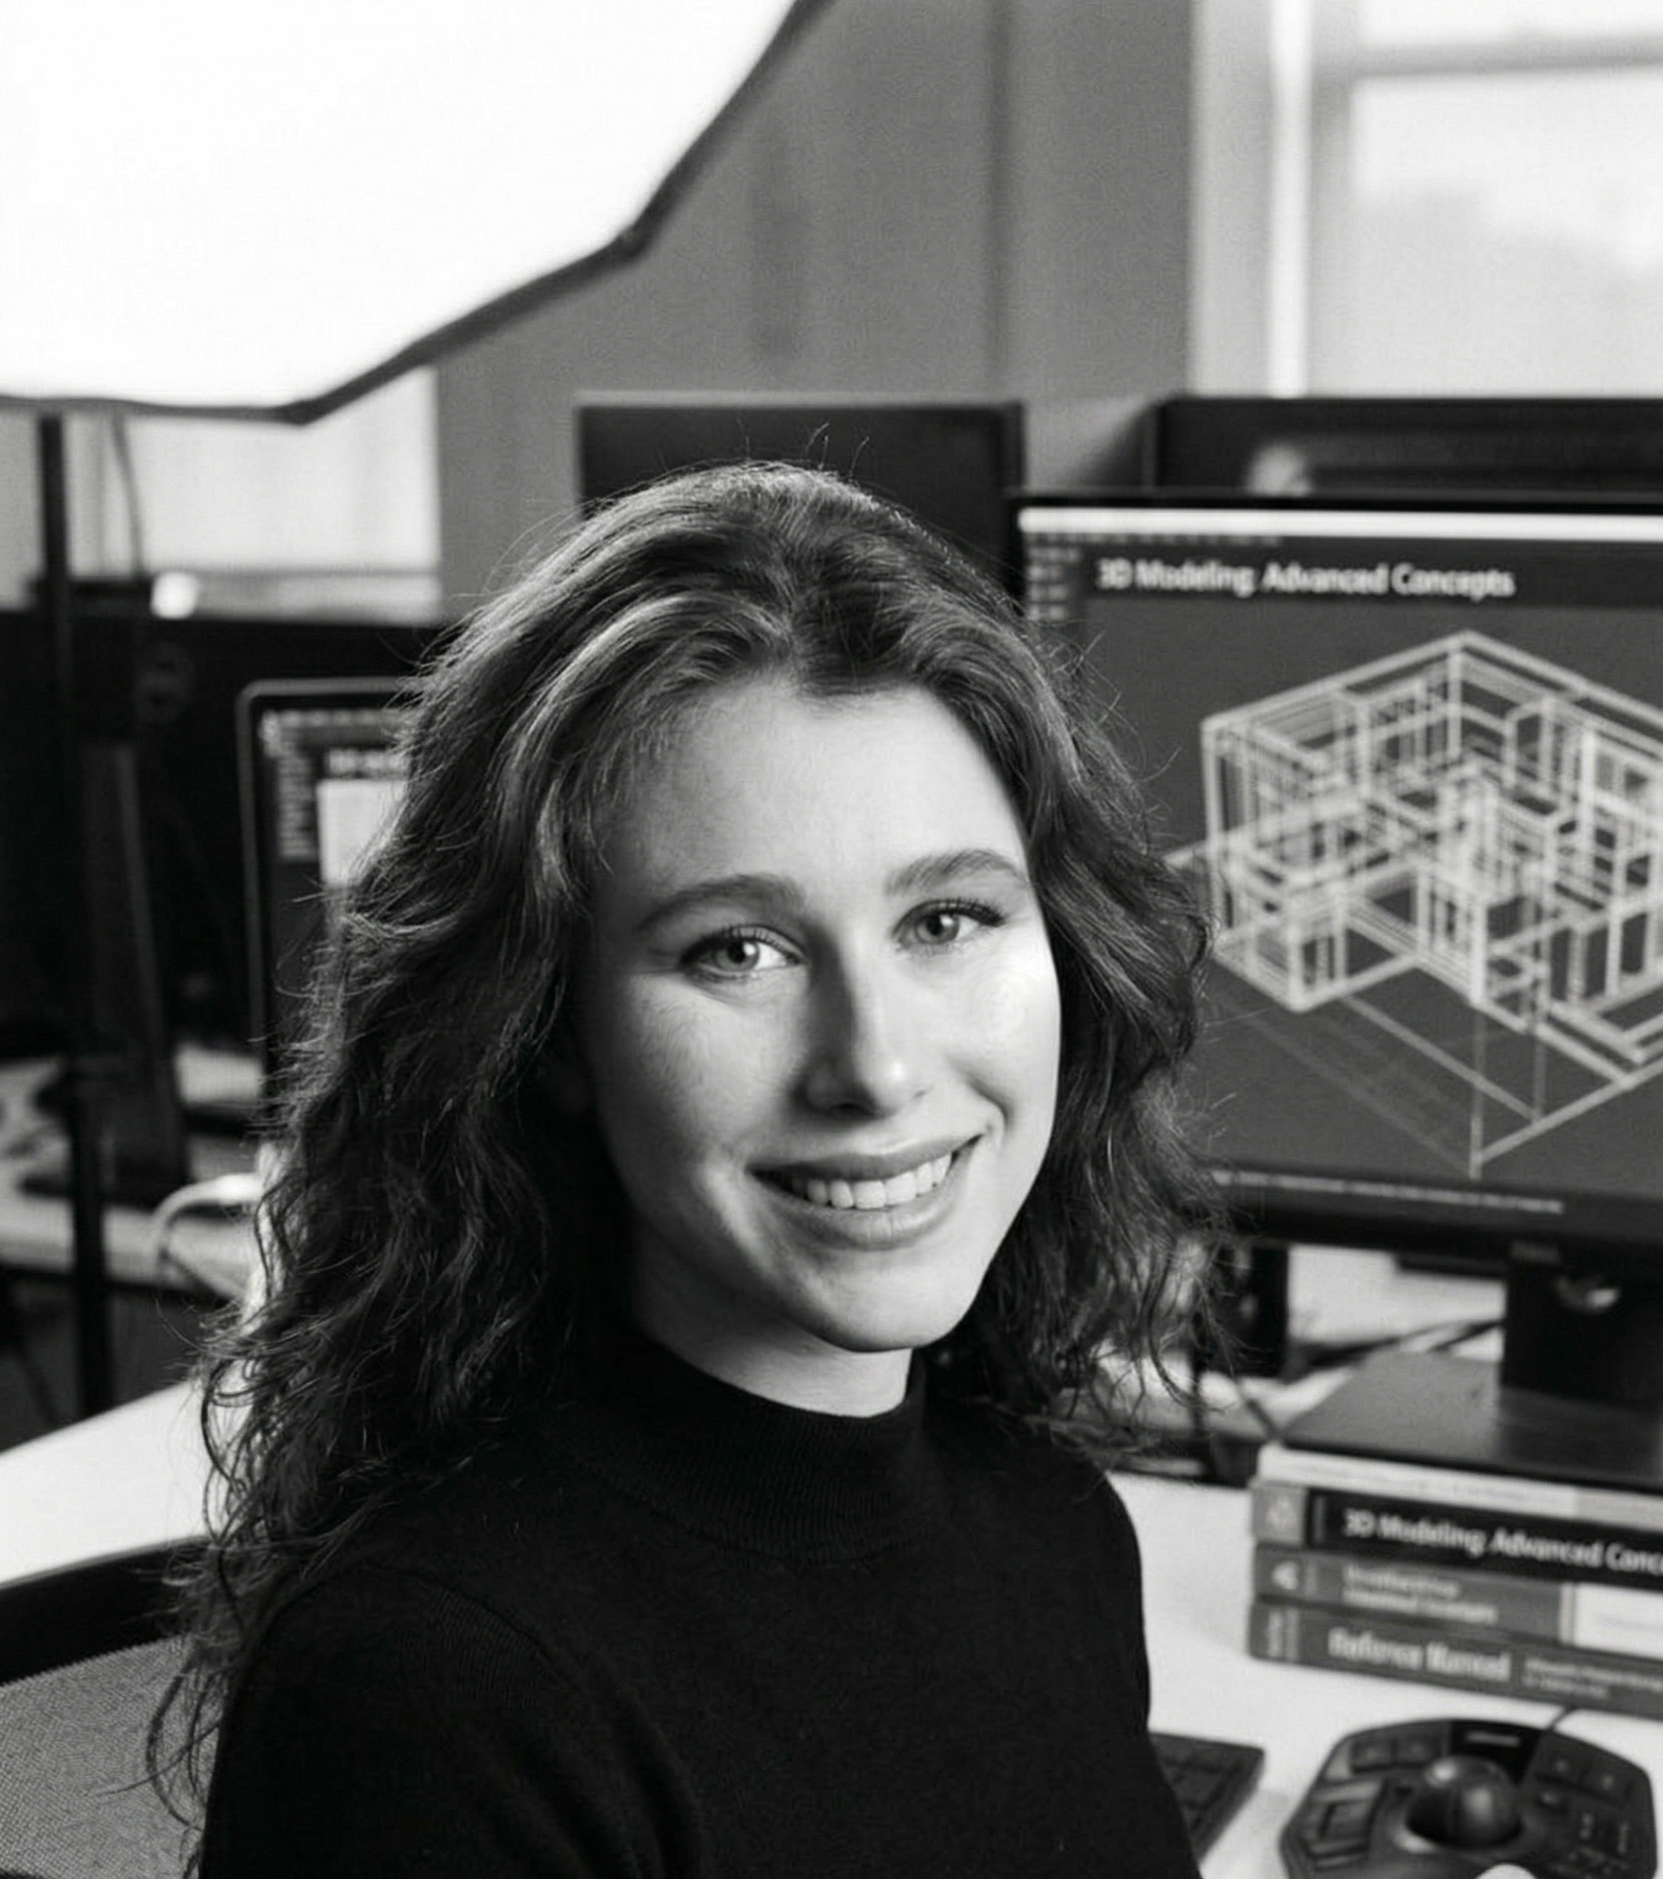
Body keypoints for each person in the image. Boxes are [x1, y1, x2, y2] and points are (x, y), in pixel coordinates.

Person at [160, 460, 1219, 1877]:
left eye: (948, 917)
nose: (878, 1067)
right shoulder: (436, 1696)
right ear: (548, 1033)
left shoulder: (1056, 1531)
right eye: (741, 949)